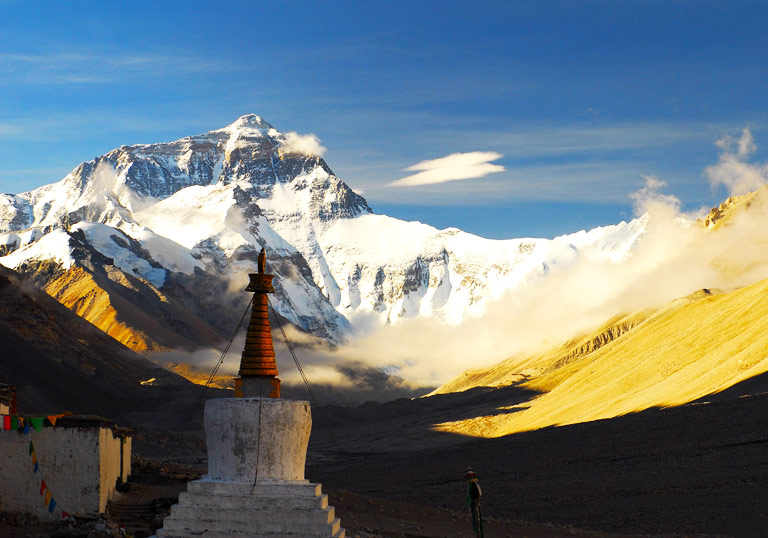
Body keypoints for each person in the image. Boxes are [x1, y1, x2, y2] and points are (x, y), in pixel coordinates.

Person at [465, 466, 484, 537]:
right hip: (475, 504)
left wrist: (474, 503)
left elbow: (476, 495)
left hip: (475, 504)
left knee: (477, 521)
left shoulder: (472, 485)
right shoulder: (473, 485)